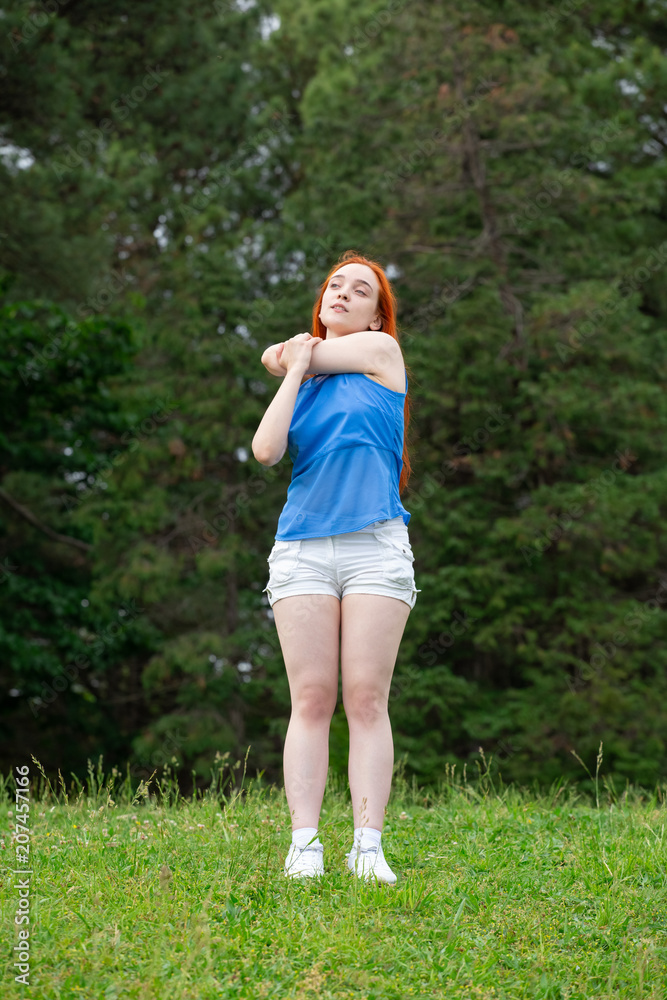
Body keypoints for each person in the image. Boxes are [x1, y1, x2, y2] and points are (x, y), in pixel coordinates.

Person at [251, 251, 420, 884]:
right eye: (334, 286)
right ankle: (305, 845)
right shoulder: (309, 374)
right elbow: (266, 451)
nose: (344, 294)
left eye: (361, 291)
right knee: (312, 697)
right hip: (301, 548)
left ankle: (368, 847)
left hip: (376, 544)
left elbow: (284, 352)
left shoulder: (382, 356)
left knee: (367, 697)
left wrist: (287, 354)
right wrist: (292, 370)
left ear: (379, 316)